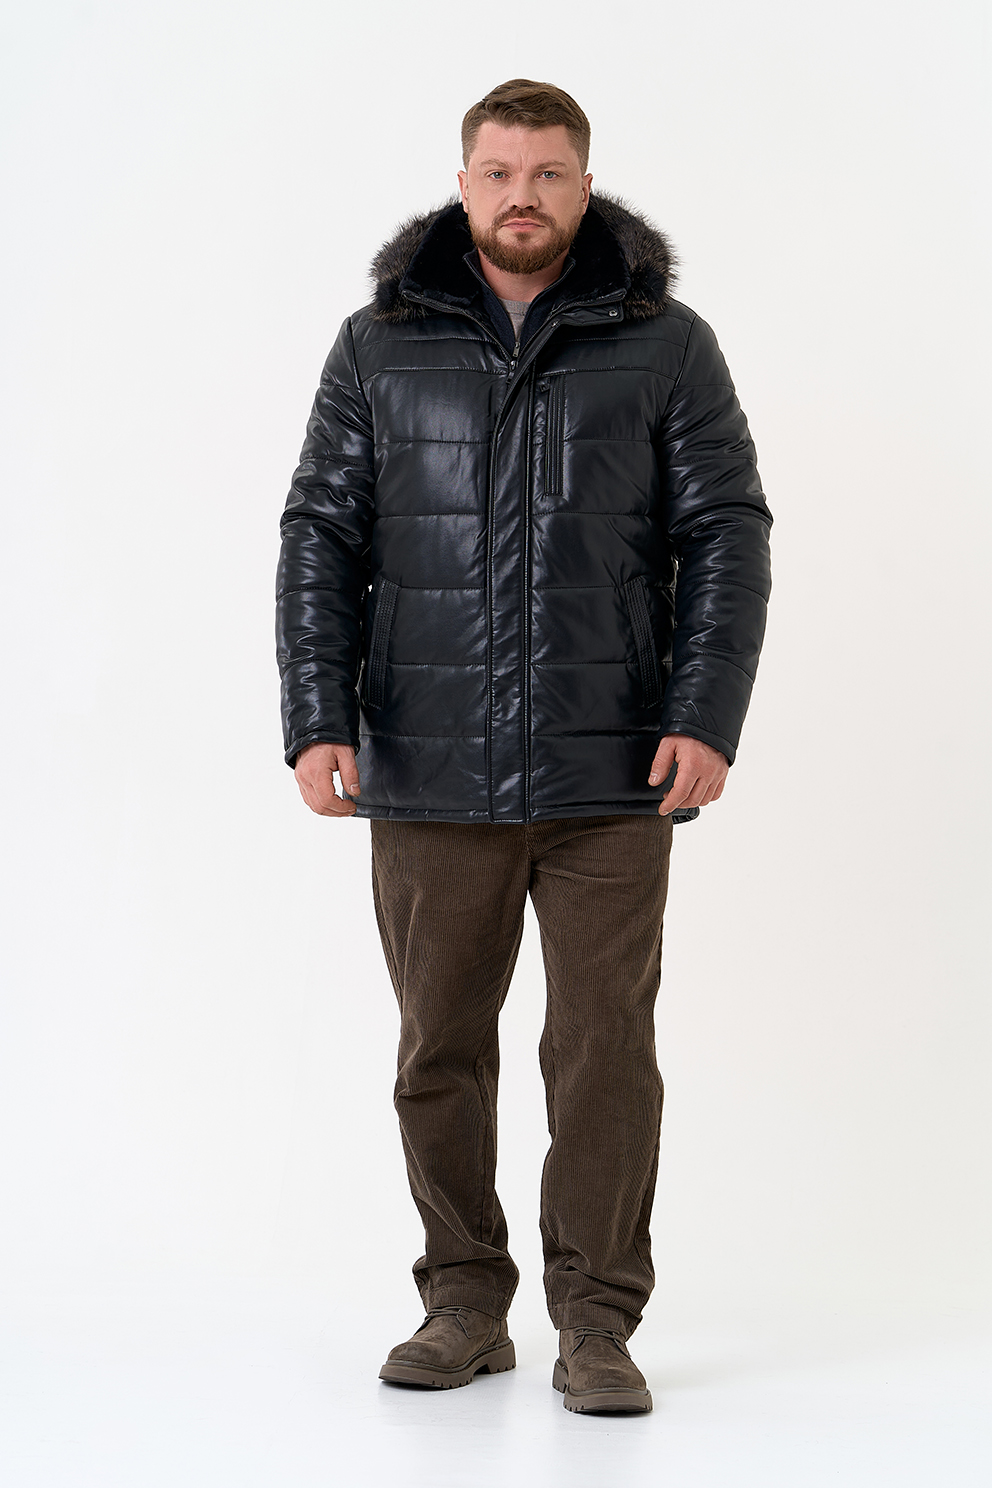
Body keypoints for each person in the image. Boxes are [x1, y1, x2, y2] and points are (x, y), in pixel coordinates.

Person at [275, 78, 772, 1415]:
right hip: (427, 766)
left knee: (604, 1054)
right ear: (463, 185)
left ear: (584, 187)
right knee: (439, 1048)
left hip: (614, 771)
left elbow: (725, 531)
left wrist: (705, 714)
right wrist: (317, 717)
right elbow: (320, 531)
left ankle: (597, 1320)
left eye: (548, 174)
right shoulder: (378, 345)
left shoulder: (667, 343)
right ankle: (463, 1301)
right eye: (499, 173)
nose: (522, 197)